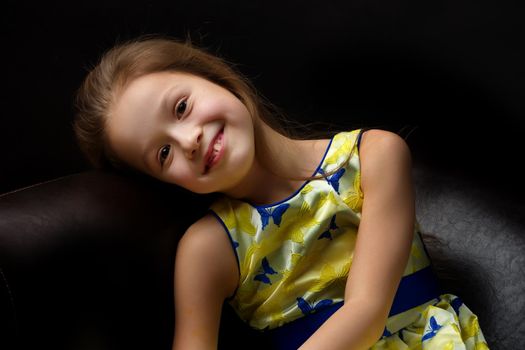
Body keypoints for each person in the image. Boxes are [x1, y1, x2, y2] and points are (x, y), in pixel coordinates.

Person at [73, 35, 489, 350]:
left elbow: (366, 311)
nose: (189, 141)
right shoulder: (209, 249)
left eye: (181, 107)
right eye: (163, 154)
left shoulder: (373, 157)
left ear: (211, 77)